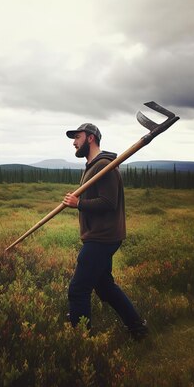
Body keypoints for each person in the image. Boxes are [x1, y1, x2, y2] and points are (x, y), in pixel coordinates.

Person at [62, 122, 148, 340]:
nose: (74, 142)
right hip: (100, 236)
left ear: (90, 138)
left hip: (102, 237)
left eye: (78, 137)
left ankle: (81, 342)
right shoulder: (94, 166)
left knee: (78, 289)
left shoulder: (104, 166)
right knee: (105, 287)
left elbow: (109, 202)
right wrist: (80, 201)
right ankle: (137, 327)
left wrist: (78, 203)